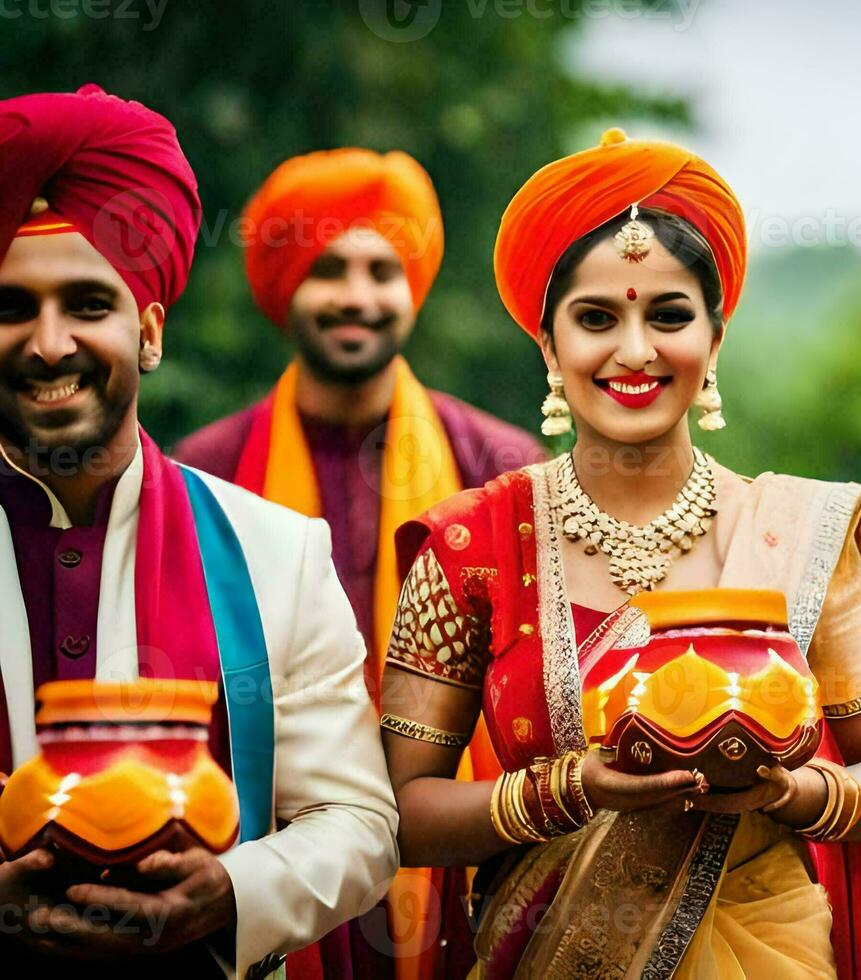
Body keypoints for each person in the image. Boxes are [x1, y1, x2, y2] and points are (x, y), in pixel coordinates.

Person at [377, 128, 861, 978]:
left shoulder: (798, 531)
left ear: (714, 343)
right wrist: (570, 791)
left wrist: (794, 793)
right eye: (596, 319)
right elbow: (400, 815)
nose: (635, 351)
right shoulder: (469, 545)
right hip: (545, 949)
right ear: (549, 346)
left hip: (769, 946)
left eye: (668, 315)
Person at [0, 85, 397, 977]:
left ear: (148, 331)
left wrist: (233, 893)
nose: (49, 342)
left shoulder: (275, 552)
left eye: (88, 305)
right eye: (12, 309)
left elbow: (359, 823)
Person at [173, 148, 542, 977]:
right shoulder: (209, 472)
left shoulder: (494, 463)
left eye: (381, 268)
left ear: (412, 285)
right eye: (326, 267)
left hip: (464, 858)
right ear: (285, 289)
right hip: (267, 852)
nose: (356, 296)